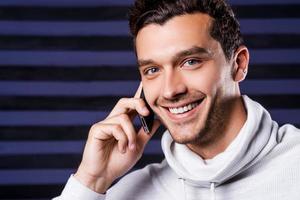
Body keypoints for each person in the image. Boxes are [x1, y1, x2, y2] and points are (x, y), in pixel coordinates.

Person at [54, 0, 300, 199]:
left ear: (238, 64)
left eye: (190, 62)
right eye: (152, 70)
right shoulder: (128, 192)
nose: (170, 91)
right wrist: (90, 180)